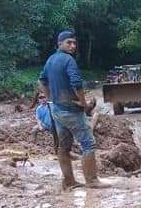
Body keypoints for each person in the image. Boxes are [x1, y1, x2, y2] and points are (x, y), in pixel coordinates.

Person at [39, 30, 103, 189]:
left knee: (64, 147)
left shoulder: (51, 60)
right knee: (88, 144)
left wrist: (50, 99)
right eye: (69, 42)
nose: (73, 45)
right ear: (59, 43)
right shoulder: (68, 60)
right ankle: (92, 180)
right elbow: (77, 83)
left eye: (74, 43)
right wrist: (83, 103)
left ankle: (69, 181)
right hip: (72, 111)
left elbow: (42, 81)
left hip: (57, 111)